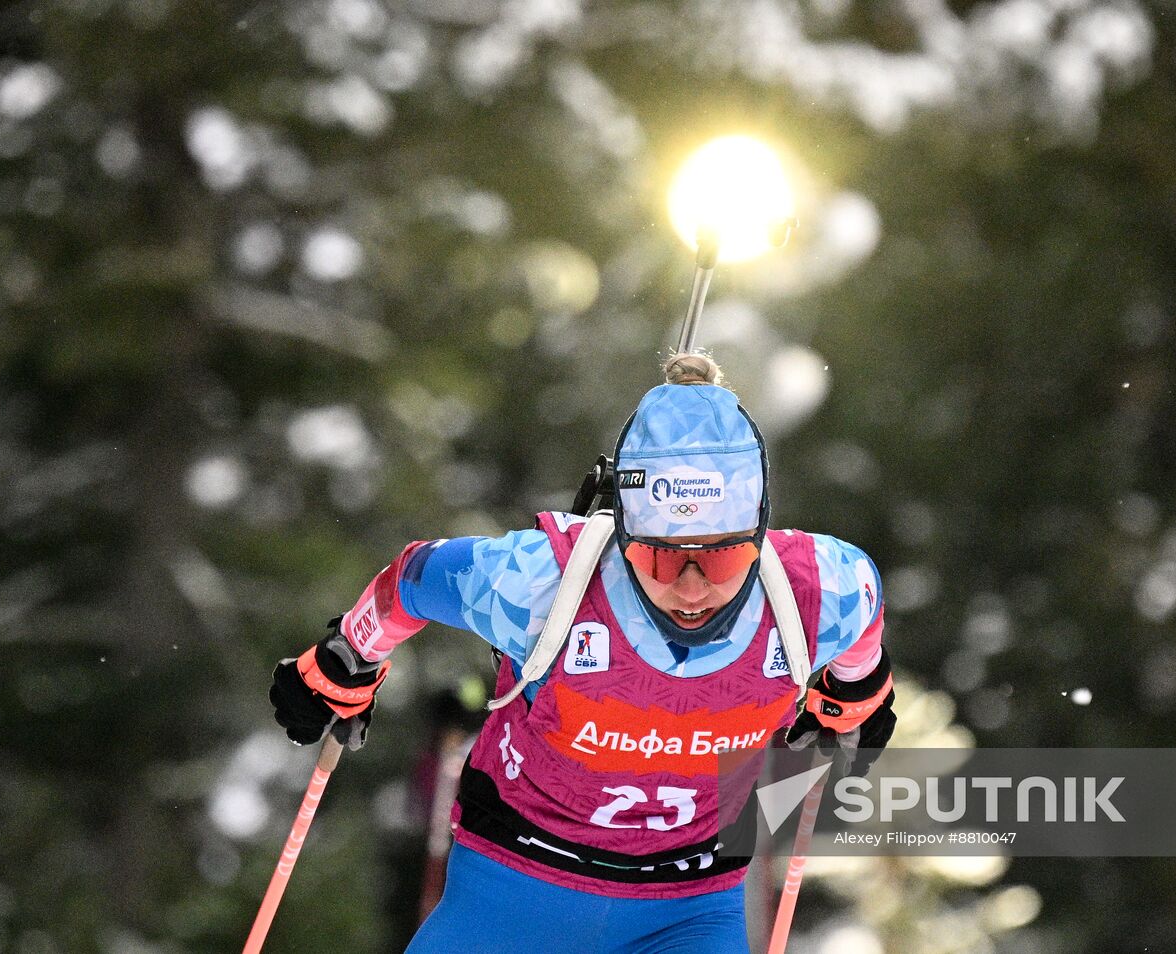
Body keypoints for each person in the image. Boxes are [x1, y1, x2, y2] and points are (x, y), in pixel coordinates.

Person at [269, 353, 897, 953]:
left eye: (723, 554)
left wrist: (855, 693)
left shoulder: (820, 591)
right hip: (513, 886)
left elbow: (865, 620)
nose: (691, 586)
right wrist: (345, 660)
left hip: (689, 907)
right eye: (659, 554)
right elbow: (414, 579)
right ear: (623, 531)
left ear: (758, 531)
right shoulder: (541, 581)